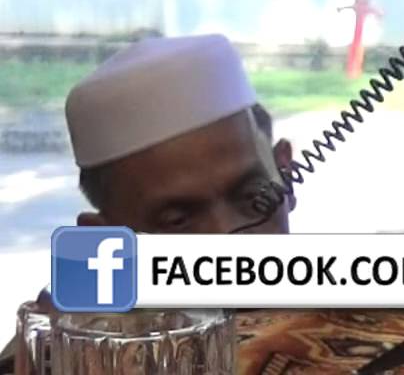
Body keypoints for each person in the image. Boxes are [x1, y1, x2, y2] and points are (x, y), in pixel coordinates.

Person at [2, 35, 293, 371]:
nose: (229, 246)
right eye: (178, 222)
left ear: (285, 170)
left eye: (252, 197)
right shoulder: (64, 346)